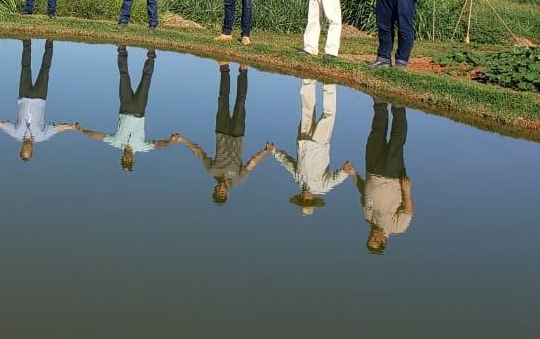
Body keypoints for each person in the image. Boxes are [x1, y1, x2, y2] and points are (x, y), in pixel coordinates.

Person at [170, 63, 271, 205]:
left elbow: (199, 153)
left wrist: (182, 140)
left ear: (215, 189)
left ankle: (224, 68)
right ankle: (243, 70)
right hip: (237, 134)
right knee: (240, 102)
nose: (221, 190)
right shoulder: (238, 180)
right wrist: (265, 151)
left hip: (221, 131)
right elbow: (251, 164)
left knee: (223, 99)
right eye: (222, 193)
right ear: (227, 193)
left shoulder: (212, 171)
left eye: (218, 192)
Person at [73, 46, 177, 170]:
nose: (127, 159)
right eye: (129, 162)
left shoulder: (116, 143)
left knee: (123, 77)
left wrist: (83, 131)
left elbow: (99, 136)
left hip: (125, 106)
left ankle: (122, 50)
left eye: (125, 161)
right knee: (146, 80)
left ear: (121, 158)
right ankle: (151, 53)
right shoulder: (141, 147)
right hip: (139, 109)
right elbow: (157, 144)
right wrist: (169, 142)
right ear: (133, 161)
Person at [0, 39, 77, 161]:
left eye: (24, 150)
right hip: (40, 97)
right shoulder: (41, 136)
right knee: (45, 69)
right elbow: (57, 128)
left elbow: (0, 124)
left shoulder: (16, 134)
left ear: (20, 149)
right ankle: (49, 41)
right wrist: (71, 126)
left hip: (23, 95)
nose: (26, 148)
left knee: (25, 68)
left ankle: (26, 41)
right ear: (32, 150)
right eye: (28, 151)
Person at [267, 79, 353, 216]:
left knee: (307, 110)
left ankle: (308, 79)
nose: (305, 198)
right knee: (328, 116)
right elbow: (335, 179)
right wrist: (344, 171)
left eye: (302, 201)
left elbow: (287, 162)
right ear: (313, 199)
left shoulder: (299, 180)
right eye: (308, 202)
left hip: (303, 140)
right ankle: (329, 83)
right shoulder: (322, 188)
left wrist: (274, 151)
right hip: (320, 143)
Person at [355, 101, 413, 254]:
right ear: (383, 240)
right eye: (375, 241)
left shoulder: (368, 217)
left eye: (370, 239)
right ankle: (399, 107)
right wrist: (407, 192)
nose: (372, 237)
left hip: (371, 169)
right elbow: (407, 211)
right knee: (396, 141)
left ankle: (380, 103)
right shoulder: (397, 228)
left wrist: (353, 175)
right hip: (391, 176)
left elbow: (364, 193)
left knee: (376, 135)